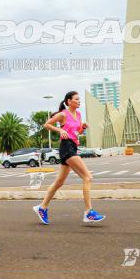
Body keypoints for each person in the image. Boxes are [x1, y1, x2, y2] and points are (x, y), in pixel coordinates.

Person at [32, 91, 105, 225]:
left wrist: (83, 127)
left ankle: (42, 207)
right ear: (69, 101)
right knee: (87, 177)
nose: (79, 101)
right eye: (76, 99)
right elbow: (47, 124)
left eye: (79, 99)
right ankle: (89, 212)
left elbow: (77, 132)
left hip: (73, 146)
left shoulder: (78, 114)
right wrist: (60, 130)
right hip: (67, 148)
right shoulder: (63, 114)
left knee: (59, 182)